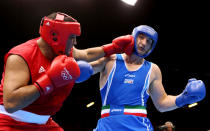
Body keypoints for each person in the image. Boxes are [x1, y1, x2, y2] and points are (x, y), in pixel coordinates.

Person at [0, 12, 134, 131]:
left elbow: (86, 54)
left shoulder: (66, 51)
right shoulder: (21, 56)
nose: (75, 42)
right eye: (72, 37)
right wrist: (49, 81)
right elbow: (11, 103)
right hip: (10, 122)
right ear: (55, 36)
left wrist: (114, 48)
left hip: (44, 123)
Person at [91, 25, 206, 131]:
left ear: (151, 46)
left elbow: (161, 103)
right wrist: (108, 49)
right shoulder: (110, 60)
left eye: (149, 41)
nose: (144, 43)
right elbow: (78, 70)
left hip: (139, 125)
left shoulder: (153, 69)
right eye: (141, 37)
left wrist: (183, 98)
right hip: (107, 124)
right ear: (133, 37)